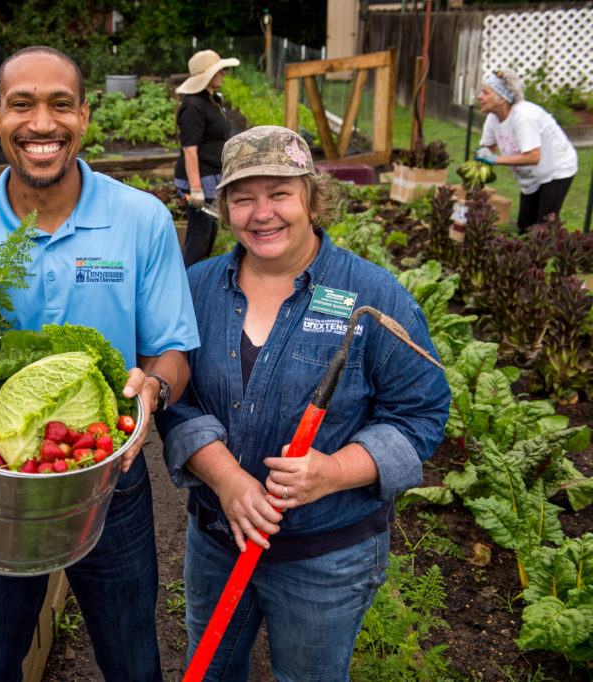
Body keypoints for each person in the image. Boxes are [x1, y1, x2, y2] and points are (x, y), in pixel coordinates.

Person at [0, 46, 199, 681]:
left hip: (108, 474)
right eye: (21, 103)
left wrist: (153, 385)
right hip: (0, 480)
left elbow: (173, 350)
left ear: (85, 116)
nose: (41, 124)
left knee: (132, 660)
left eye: (60, 105)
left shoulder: (141, 220)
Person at [155, 126, 450, 681]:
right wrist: (227, 480)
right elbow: (174, 397)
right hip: (217, 544)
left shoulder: (373, 294)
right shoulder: (195, 288)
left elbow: (421, 415)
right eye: (243, 197)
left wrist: (335, 470)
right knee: (211, 670)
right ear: (225, 208)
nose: (261, 213)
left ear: (313, 197)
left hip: (327, 557)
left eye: (280, 194)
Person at [475, 68, 578, 231]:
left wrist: (495, 159)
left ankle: (553, 253)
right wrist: (482, 171)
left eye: (485, 93)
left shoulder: (524, 116)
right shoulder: (493, 118)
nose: (479, 97)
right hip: (530, 176)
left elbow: (533, 156)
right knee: (525, 225)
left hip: (556, 169)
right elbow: (486, 149)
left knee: (543, 227)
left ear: (501, 98)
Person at [174, 49, 239, 267]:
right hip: (199, 178)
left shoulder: (211, 100)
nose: (224, 74)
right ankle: (186, 281)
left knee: (209, 232)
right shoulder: (193, 106)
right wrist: (196, 189)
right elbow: (190, 150)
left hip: (211, 173)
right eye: (219, 70)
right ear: (207, 76)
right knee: (199, 237)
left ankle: (196, 276)